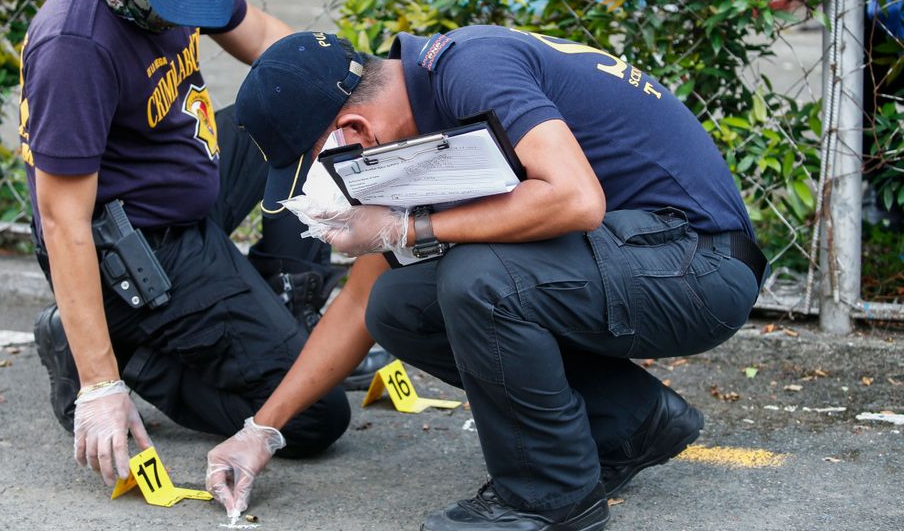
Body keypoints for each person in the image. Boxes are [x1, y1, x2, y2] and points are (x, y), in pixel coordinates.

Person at [208, 27, 769, 530]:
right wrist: (263, 431)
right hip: (641, 256)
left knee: (480, 279)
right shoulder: (413, 113)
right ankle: (630, 423)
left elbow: (576, 200)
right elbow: (360, 302)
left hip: (701, 266)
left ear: (354, 130)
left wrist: (408, 226)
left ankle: (550, 497)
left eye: (317, 164)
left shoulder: (469, 68)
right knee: (398, 302)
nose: (325, 183)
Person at [19, 0, 359, 490]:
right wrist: (100, 383)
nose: (186, 11)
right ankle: (111, 352)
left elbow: (270, 39)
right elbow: (63, 221)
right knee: (315, 416)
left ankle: (291, 303)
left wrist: (355, 95)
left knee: (304, 106)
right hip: (141, 250)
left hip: (187, 176)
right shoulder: (74, 45)